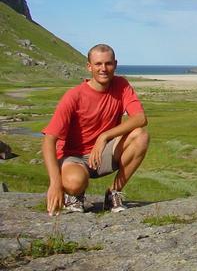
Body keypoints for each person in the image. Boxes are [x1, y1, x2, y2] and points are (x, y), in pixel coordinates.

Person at [42, 44, 149, 215]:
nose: (103, 69)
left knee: (141, 136)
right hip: (74, 156)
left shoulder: (121, 85)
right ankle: (75, 194)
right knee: (74, 182)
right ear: (89, 66)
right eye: (98, 64)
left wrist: (104, 137)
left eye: (108, 64)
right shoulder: (73, 96)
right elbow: (49, 139)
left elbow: (140, 118)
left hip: (103, 153)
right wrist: (55, 184)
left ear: (115, 64)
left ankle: (113, 193)